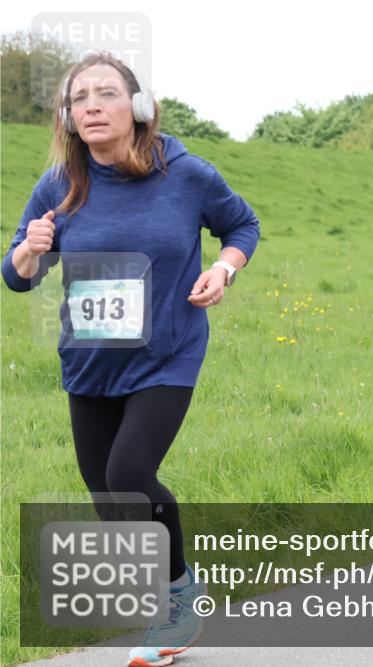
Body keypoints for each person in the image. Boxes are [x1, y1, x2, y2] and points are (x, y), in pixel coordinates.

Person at [2, 53, 259, 666]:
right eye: (77, 97)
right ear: (67, 116)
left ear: (137, 106)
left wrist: (223, 269)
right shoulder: (58, 184)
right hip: (90, 359)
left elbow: (242, 224)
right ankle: (163, 605)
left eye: (105, 93)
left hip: (168, 352)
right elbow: (17, 276)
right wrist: (30, 252)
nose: (89, 104)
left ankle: (176, 603)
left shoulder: (186, 173)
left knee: (127, 475)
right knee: (105, 492)